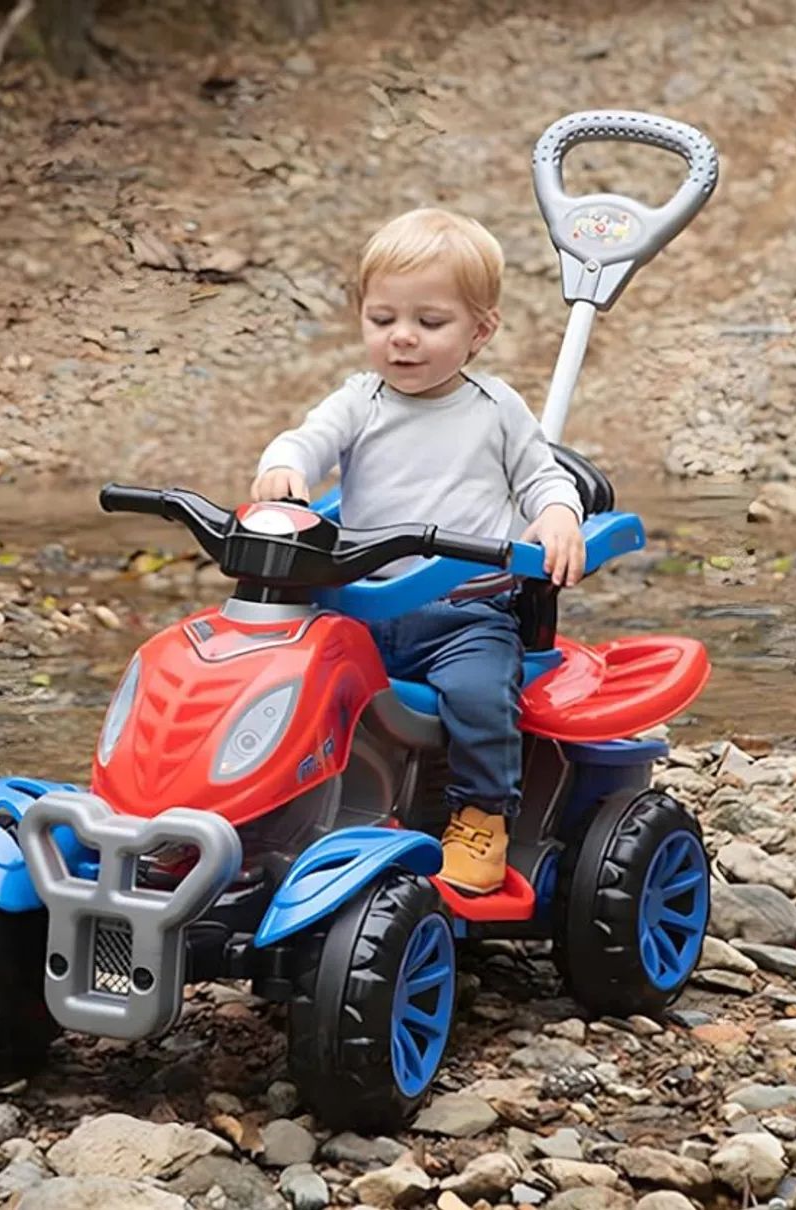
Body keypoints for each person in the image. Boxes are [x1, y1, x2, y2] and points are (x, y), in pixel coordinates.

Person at [250, 207, 585, 893]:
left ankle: (482, 813)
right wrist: (284, 469)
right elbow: (305, 440)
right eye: (382, 320)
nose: (402, 339)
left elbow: (544, 476)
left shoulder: (496, 409)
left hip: (462, 617)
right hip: (360, 611)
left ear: (479, 331)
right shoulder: (359, 400)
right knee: (278, 678)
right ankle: (277, 802)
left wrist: (556, 516)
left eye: (430, 324)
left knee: (479, 695)